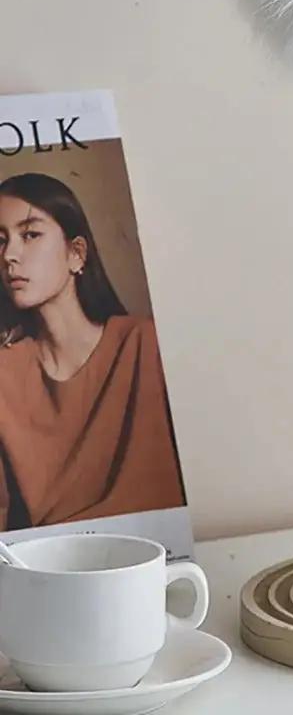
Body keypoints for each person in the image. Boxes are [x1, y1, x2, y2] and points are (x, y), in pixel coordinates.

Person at [0, 172, 185, 530]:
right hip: (48, 570)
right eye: (0, 240)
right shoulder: (5, 373)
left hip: (157, 556)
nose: (10, 255)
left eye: (31, 234)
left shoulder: (145, 344)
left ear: (76, 253)